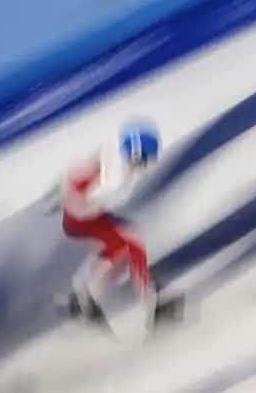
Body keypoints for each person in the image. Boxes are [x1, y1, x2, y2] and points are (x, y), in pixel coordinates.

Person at [59, 121, 178, 328]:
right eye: (146, 159)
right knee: (133, 243)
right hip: (82, 217)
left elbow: (78, 174)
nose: (148, 165)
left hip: (78, 213)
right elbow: (101, 194)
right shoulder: (117, 178)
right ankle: (151, 302)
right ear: (136, 156)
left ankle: (82, 295)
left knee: (121, 246)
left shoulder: (117, 144)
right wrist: (89, 204)